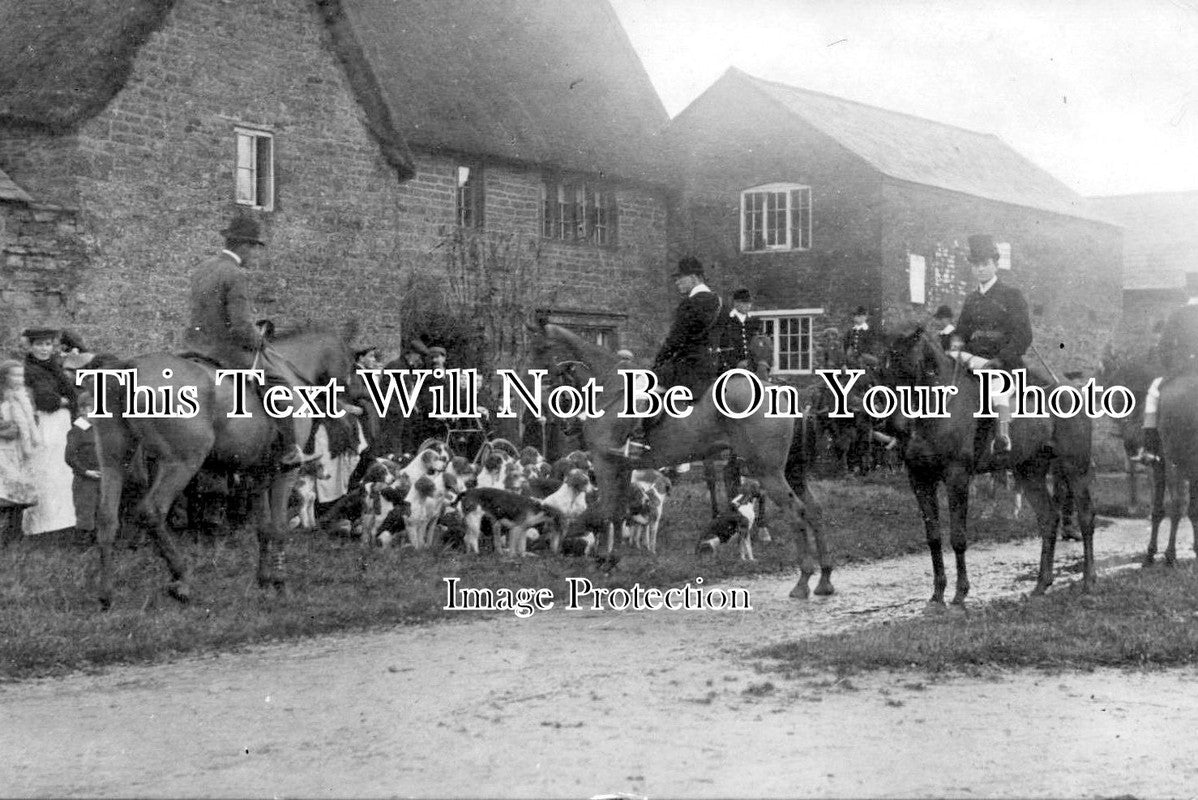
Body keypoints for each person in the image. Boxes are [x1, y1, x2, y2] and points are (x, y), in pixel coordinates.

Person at [183, 214, 317, 466]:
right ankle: (289, 449)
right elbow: (241, 327)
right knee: (279, 384)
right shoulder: (236, 274)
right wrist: (259, 340)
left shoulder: (202, 269)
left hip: (194, 348)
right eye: (255, 248)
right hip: (224, 352)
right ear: (245, 245)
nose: (255, 254)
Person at [950, 234, 1033, 454]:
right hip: (975, 363)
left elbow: (1023, 335)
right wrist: (955, 345)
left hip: (1003, 364)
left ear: (996, 264)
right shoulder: (971, 300)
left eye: (985, 264)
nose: (981, 269)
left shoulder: (1011, 296)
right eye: (976, 265)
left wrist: (1000, 359)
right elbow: (961, 333)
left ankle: (1002, 437)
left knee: (998, 388)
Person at [21, 327, 78, 535]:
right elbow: (45, 399)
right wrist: (61, 400)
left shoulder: (53, 365)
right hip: (45, 422)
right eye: (39, 345)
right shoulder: (29, 369)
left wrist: (66, 399)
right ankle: (42, 524)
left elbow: (70, 393)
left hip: (61, 422)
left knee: (63, 471)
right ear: (31, 346)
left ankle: (64, 521)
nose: (44, 349)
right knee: (47, 469)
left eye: (47, 344)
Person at [1138, 271, 1198, 462]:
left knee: (1153, 395)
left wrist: (1172, 368)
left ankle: (1149, 449)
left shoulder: (1177, 314)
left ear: (1186, 290)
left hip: (1182, 370)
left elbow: (1163, 348)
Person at [0, 359, 41, 546]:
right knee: (4, 492)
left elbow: (33, 419)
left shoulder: (25, 395)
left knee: (20, 492)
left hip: (20, 449)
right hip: (2, 450)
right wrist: (3, 431)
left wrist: (28, 429)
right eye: (14, 375)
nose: (19, 379)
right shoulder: (2, 397)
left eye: (21, 375)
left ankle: (15, 534)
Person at [65, 387, 101, 546]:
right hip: (85, 480)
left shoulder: (99, 430)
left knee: (100, 511)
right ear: (83, 410)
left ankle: (96, 542)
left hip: (101, 477)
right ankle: (81, 545)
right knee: (85, 512)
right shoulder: (77, 431)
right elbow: (70, 457)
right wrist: (85, 472)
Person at [717, 288, 761, 372]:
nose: (748, 305)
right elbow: (722, 345)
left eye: (749, 303)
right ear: (736, 303)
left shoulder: (754, 321)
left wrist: (752, 362)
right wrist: (735, 363)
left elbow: (755, 345)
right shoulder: (726, 320)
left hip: (751, 367)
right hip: (730, 367)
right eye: (744, 303)